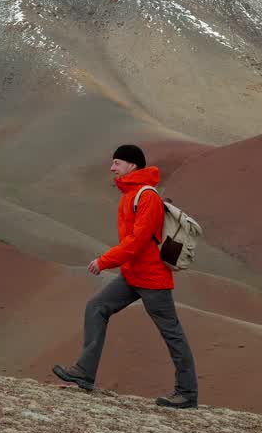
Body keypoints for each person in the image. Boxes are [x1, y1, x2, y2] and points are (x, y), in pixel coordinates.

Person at [53, 145, 198, 408]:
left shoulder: (147, 197)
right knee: (96, 307)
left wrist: (104, 261)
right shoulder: (131, 194)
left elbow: (137, 241)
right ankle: (85, 372)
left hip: (152, 278)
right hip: (133, 275)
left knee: (172, 333)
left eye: (117, 163)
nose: (112, 168)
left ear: (132, 165)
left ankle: (187, 393)